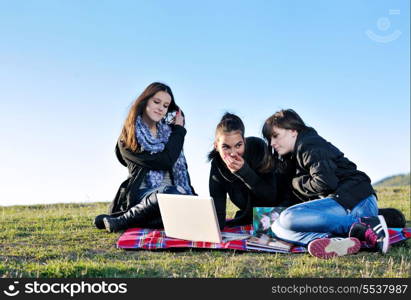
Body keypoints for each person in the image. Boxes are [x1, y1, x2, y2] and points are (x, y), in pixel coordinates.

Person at [262, 109, 390, 259]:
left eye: (275, 136)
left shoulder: (310, 145)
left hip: (355, 201)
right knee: (277, 224)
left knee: (287, 218)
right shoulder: (296, 156)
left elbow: (324, 182)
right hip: (346, 206)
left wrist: (295, 183)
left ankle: (364, 225)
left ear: (293, 131)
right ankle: (328, 242)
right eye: (270, 139)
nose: (272, 143)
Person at [94, 82, 196, 232]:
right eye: (156, 102)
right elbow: (164, 161)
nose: (161, 108)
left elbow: (171, 159)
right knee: (169, 193)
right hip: (143, 194)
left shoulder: (169, 134)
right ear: (144, 101)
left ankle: (128, 219)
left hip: (174, 191)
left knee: (192, 205)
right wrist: (179, 131)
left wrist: (175, 130)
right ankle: (122, 220)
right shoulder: (128, 138)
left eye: (166, 105)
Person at [208, 113, 297, 230]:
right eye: (226, 147)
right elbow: (218, 208)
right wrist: (215, 230)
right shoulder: (217, 165)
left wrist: (244, 171)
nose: (233, 153)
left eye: (238, 145)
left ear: (244, 141)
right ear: (216, 146)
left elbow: (270, 197)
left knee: (273, 227)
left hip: (281, 207)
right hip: (253, 216)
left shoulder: (258, 147)